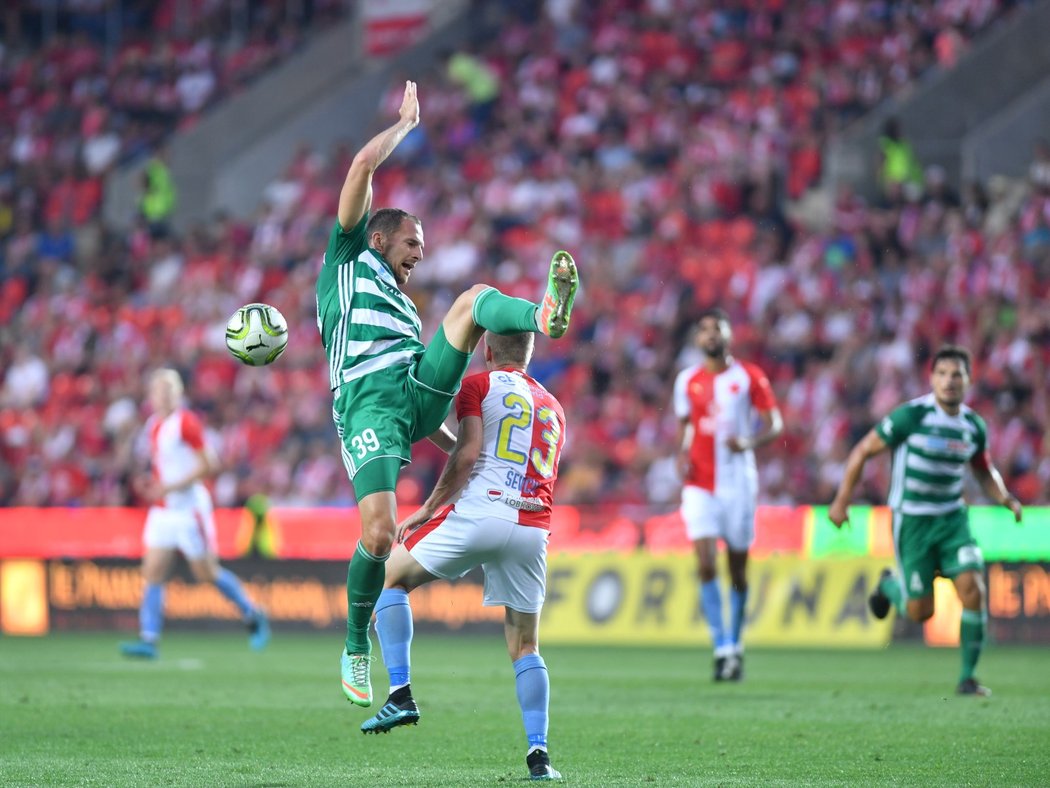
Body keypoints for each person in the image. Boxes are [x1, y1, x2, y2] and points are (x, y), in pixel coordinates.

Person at [317, 81, 578, 708]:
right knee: (379, 536)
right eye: (412, 245)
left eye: (423, 249)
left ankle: (544, 315)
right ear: (379, 238)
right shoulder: (348, 259)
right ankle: (356, 643)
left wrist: (464, 446)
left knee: (470, 303)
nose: (419, 256)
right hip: (368, 404)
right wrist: (405, 125)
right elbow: (360, 166)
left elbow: (433, 415)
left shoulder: (407, 311)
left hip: (412, 393)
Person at [360, 331, 565, 781]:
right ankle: (539, 755)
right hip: (533, 526)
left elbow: (470, 454)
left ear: (487, 351)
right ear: (528, 354)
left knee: (386, 578)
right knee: (526, 646)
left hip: (482, 511)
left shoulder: (478, 385)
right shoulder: (553, 406)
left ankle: (399, 692)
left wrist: (430, 508)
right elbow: (499, 454)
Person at [829, 345, 1023, 697]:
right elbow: (862, 450)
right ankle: (889, 585)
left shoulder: (972, 427)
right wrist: (842, 500)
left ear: (968, 380)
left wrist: (1005, 497)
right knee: (920, 612)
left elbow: (983, 469)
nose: (949, 381)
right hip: (913, 522)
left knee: (973, 589)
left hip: (952, 520)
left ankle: (968, 678)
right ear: (932, 378)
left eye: (957, 375)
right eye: (943, 374)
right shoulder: (911, 417)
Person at [120, 369, 270, 659]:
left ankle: (253, 614)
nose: (162, 396)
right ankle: (148, 640)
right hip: (164, 510)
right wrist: (151, 483)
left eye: (168, 391)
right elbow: (166, 465)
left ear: (177, 394)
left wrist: (169, 486)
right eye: (158, 391)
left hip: (189, 509)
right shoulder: (153, 425)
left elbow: (210, 464)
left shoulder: (186, 423)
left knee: (206, 573)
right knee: (152, 571)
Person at [673, 308, 782, 682]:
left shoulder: (749, 376)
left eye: (716, 327)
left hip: (738, 483)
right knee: (705, 562)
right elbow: (686, 427)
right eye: (703, 329)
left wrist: (749, 440)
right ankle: (720, 647)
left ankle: (735, 645)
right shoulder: (688, 380)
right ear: (697, 339)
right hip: (699, 484)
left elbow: (774, 424)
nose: (710, 334)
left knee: (737, 567)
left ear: (728, 333)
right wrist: (682, 453)